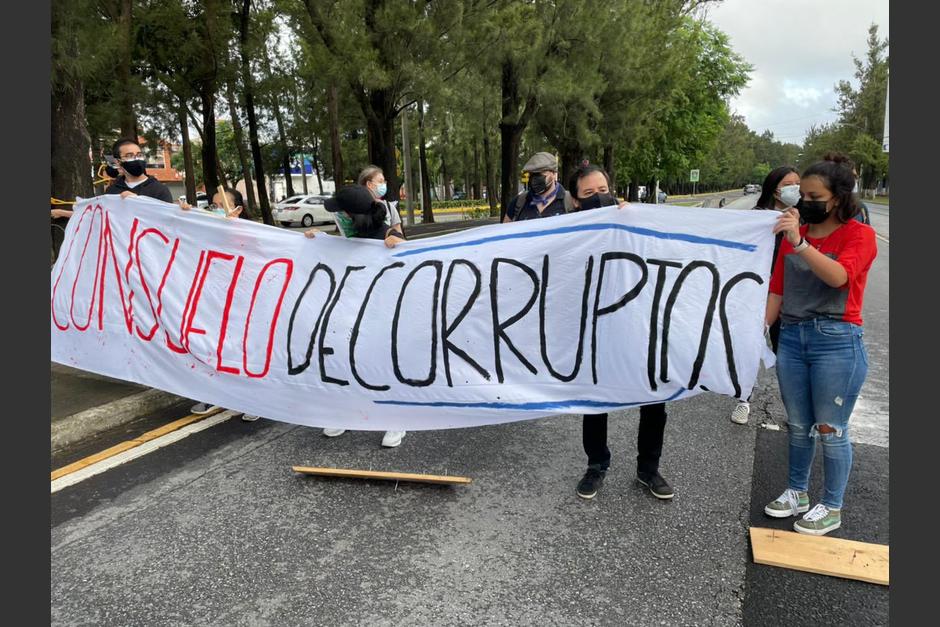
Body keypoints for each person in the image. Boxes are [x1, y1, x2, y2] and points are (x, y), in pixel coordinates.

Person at [763, 153, 877, 536]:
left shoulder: (859, 235)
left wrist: (799, 243)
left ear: (839, 198)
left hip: (837, 341)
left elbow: (839, 277)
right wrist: (748, 335)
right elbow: (777, 289)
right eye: (802, 196)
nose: (805, 203)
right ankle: (797, 491)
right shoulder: (793, 237)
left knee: (831, 428)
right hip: (793, 339)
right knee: (798, 425)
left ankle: (832, 505)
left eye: (814, 197)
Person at [564, 165, 674, 501]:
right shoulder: (567, 232)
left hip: (639, 325)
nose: (599, 197)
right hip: (596, 329)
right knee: (595, 399)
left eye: (603, 189)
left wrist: (636, 221)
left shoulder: (636, 221)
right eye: (589, 194)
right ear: (576, 202)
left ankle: (648, 469)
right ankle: (596, 464)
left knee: (654, 398)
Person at [305, 184, 406, 448]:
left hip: (385, 316)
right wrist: (318, 241)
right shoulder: (348, 239)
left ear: (353, 216)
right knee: (346, 362)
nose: (340, 218)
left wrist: (399, 245)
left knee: (383, 367)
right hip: (350, 312)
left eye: (343, 213)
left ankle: (396, 421)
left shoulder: (386, 235)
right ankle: (348, 414)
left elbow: (411, 268)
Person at [729, 165, 801, 425]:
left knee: (787, 355)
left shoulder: (802, 217)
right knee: (749, 348)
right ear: (775, 187)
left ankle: (795, 410)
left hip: (788, 296)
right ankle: (743, 399)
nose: (795, 188)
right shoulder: (756, 217)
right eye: (789, 183)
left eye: (798, 183)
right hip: (756, 295)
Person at [182, 188, 260, 423]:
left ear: (237, 209)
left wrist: (234, 228)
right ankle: (216, 394)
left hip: (245, 301)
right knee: (213, 347)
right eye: (212, 205)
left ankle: (255, 400)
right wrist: (183, 214)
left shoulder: (253, 232)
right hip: (214, 298)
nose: (215, 209)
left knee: (244, 350)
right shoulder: (208, 229)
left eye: (221, 205)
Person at [502, 152, 572, 223]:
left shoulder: (571, 201)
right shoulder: (518, 202)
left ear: (553, 173)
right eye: (532, 174)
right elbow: (505, 231)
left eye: (539, 173)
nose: (534, 179)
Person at [104, 138, 175, 203]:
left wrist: (138, 201)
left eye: (139, 155)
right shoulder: (112, 191)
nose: (136, 159)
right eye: (129, 156)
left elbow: (166, 216)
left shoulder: (159, 190)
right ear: (117, 162)